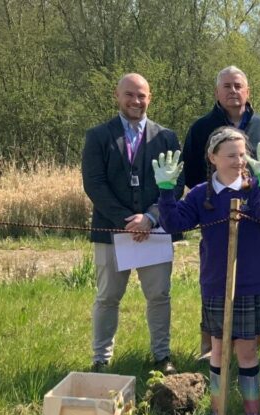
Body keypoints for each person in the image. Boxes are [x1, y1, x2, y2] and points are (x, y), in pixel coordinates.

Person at [155, 128, 260, 415]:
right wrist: (166, 190)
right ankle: (217, 413)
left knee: (248, 352)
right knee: (218, 352)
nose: (239, 161)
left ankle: (252, 414)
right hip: (216, 284)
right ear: (213, 158)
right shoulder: (202, 194)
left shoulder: (254, 189)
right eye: (231, 155)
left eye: (243, 154)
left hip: (250, 283)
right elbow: (174, 223)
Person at [81, 72, 181, 375]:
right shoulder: (98, 136)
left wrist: (150, 217)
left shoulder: (166, 137)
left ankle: (162, 356)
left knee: (159, 296)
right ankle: (101, 359)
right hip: (112, 231)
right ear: (117, 95)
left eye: (142, 95)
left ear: (150, 98)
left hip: (156, 230)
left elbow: (176, 184)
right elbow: (94, 184)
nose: (136, 101)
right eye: (130, 94)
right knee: (108, 297)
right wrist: (127, 221)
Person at [181, 65, 260, 358]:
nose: (233, 91)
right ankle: (211, 346)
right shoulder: (201, 127)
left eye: (238, 86)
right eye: (226, 86)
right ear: (217, 92)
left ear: (247, 91)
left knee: (252, 276)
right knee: (214, 277)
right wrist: (212, 199)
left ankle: (253, 344)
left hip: (253, 213)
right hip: (215, 212)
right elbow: (192, 172)